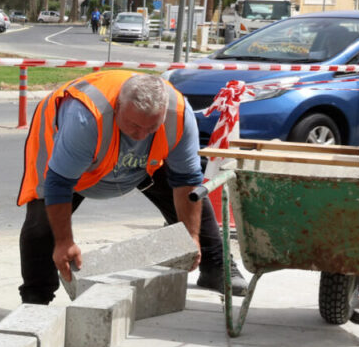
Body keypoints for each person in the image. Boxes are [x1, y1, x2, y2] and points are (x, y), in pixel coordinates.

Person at [15, 71, 241, 305]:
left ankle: (217, 267)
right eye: (134, 125)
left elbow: (187, 181)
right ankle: (36, 298)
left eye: (152, 127)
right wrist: (64, 242)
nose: (141, 135)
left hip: (143, 164)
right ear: (118, 107)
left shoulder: (180, 116)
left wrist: (192, 237)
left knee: (193, 197)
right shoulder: (85, 118)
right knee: (42, 220)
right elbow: (59, 183)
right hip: (73, 161)